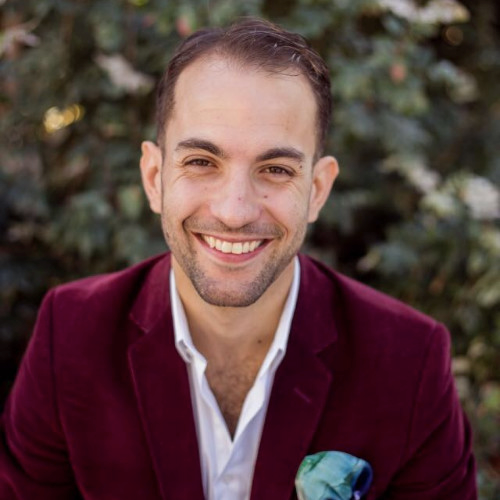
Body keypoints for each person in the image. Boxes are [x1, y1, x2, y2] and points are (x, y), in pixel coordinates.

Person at [0, 17, 476, 500]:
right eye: (202, 162)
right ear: (153, 177)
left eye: (275, 169)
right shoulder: (71, 333)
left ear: (316, 190)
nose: (233, 212)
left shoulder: (409, 361)